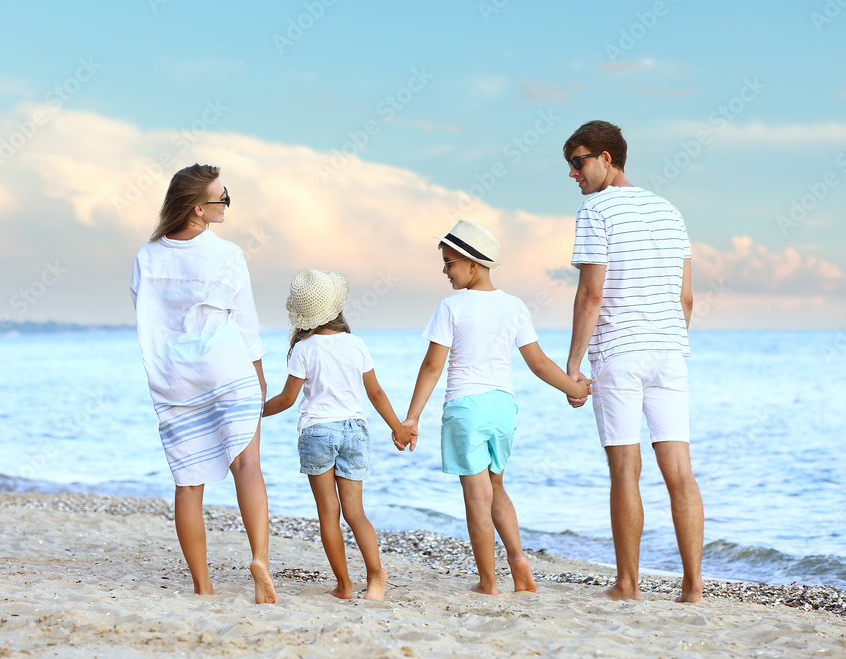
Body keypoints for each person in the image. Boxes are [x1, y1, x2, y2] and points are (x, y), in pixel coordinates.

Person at [403, 220, 592, 595]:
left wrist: (412, 417)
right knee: (496, 486)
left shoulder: (450, 307)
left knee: (476, 496)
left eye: (449, 262)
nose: (444, 270)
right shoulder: (514, 306)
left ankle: (488, 582)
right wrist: (574, 388)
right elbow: (538, 363)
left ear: (473, 264)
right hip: (503, 408)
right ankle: (518, 559)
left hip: (466, 408)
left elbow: (432, 366)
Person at [562, 120, 704, 603]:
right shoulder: (670, 211)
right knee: (680, 472)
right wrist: (667, 339)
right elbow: (686, 297)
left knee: (625, 471)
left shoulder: (595, 211)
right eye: (569, 166)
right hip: (670, 353)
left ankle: (628, 584)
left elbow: (591, 292)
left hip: (619, 353)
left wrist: (573, 365)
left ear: (607, 158)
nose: (573, 174)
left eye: (578, 162)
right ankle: (693, 588)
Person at [131, 163, 276, 604]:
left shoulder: (147, 256)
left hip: (175, 375)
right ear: (198, 208)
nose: (227, 202)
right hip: (226, 365)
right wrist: (260, 374)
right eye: (222, 197)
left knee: (188, 482)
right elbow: (246, 322)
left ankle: (202, 584)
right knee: (247, 466)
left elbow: (147, 317)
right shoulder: (227, 254)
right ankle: (260, 559)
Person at [262, 269, 415, 601]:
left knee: (328, 512)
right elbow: (375, 393)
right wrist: (398, 428)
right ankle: (376, 575)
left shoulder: (304, 349)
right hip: (355, 432)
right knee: (355, 511)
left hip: (318, 432)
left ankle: (344, 586)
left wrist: (256, 410)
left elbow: (287, 399)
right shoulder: (356, 344)